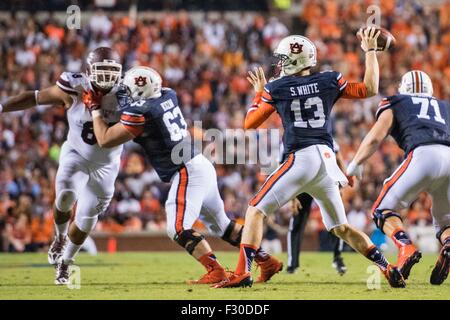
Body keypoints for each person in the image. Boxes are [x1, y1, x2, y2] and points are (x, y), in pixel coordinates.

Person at [216, 28, 406, 288]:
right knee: (341, 228)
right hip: (326, 160)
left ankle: (242, 273)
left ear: (294, 61)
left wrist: (260, 92)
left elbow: (250, 123)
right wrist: (370, 52)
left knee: (255, 210)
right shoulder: (328, 80)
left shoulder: (277, 87)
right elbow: (370, 88)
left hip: (301, 158)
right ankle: (388, 267)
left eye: (283, 59)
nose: (280, 64)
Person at [83, 66, 283, 284]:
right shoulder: (168, 94)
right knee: (223, 226)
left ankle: (215, 270)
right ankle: (266, 260)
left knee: (177, 228)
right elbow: (142, 100)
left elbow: (104, 139)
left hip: (187, 170)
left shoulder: (141, 112)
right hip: (200, 165)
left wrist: (95, 109)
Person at [0, 47, 123, 285]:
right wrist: (2, 106)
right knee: (66, 195)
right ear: (88, 71)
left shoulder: (127, 95)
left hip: (107, 165)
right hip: (76, 154)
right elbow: (35, 97)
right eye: (102, 71)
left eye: (112, 71)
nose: (107, 78)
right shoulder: (74, 87)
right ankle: (59, 236)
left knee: (86, 220)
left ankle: (65, 263)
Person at [347, 70, 450, 285]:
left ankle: (405, 247)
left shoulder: (397, 101)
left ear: (404, 89)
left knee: (382, 210)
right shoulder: (445, 106)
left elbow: (376, 137)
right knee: (445, 221)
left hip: (423, 154)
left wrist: (356, 163)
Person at [287, 140, 349, 275]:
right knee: (298, 223)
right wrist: (292, 197)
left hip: (319, 181)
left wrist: (340, 183)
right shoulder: (317, 132)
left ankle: (337, 257)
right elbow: (285, 164)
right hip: (306, 184)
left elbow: (338, 157)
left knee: (336, 220)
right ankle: (293, 263)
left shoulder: (314, 133)